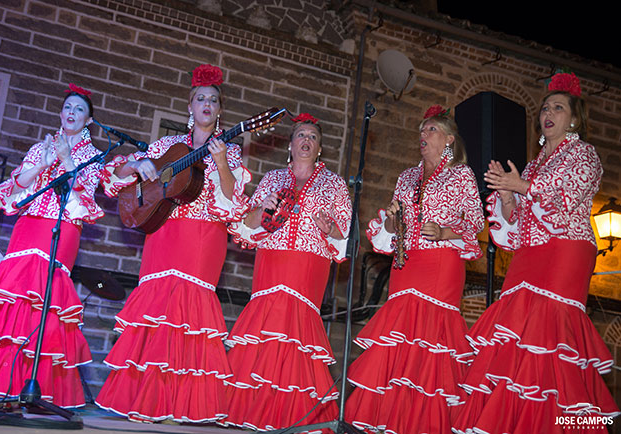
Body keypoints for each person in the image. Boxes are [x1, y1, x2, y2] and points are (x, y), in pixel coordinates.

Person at [452, 73, 620, 433]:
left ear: (574, 119)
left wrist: (520, 185)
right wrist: (509, 195)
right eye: (545, 107)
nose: (548, 112)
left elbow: (567, 194)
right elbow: (516, 224)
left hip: (563, 252)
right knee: (517, 338)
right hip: (529, 255)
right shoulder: (533, 164)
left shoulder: (583, 154)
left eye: (558, 107)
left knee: (551, 339)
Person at [95, 64, 250, 423]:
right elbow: (116, 179)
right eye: (200, 99)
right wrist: (140, 165)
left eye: (213, 100)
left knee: (187, 318)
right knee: (156, 315)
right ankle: (145, 402)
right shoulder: (166, 145)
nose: (206, 105)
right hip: (163, 232)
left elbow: (233, 201)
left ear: (220, 110)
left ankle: (179, 405)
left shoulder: (231, 151)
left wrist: (222, 162)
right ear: (190, 108)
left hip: (202, 239)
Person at [343, 105, 484, 434]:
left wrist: (445, 231)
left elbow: (476, 221)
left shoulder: (460, 174)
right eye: (421, 130)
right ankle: (392, 421)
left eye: (431, 130)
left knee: (430, 344)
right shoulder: (407, 176)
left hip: (440, 264)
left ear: (449, 139)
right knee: (400, 341)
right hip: (406, 264)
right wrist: (392, 222)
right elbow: (397, 226)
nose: (423, 135)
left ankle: (422, 424)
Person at [0, 84, 104, 408]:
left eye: (79, 110)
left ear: (88, 121)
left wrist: (65, 158)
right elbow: (17, 185)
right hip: (28, 227)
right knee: (13, 301)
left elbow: (84, 193)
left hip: (62, 229)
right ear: (61, 113)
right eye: (68, 108)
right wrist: (44, 163)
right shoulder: (40, 146)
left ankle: (28, 389)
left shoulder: (92, 155)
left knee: (43, 303)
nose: (71, 113)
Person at [222, 113, 352, 431]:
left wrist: (329, 227)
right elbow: (245, 227)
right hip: (272, 260)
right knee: (264, 330)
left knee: (297, 334)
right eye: (300, 135)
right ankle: (249, 413)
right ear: (291, 145)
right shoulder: (272, 179)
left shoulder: (334, 184)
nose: (306, 141)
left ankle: (291, 417)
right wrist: (260, 207)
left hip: (309, 263)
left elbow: (345, 236)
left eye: (312, 137)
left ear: (319, 148)